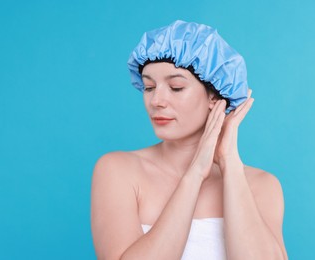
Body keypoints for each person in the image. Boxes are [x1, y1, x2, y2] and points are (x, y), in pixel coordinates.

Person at [91, 20, 288, 260]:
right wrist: (194, 174)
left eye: (175, 87)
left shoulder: (261, 185)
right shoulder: (118, 170)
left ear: (215, 97)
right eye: (149, 87)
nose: (156, 101)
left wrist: (230, 164)